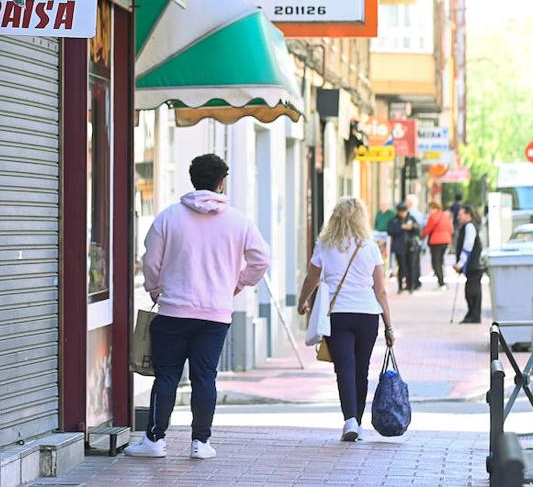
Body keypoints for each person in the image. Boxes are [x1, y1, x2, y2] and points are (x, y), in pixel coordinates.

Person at [126, 154, 271, 461]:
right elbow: (261, 259)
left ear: (192, 179)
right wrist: (239, 283)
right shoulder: (239, 221)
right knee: (205, 377)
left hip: (173, 312)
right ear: (222, 182)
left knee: (166, 376)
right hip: (215, 314)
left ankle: (154, 439)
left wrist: (154, 288)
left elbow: (150, 260)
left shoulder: (168, 217)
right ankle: (200, 443)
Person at [297, 197, 396, 442]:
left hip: (338, 316)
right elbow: (380, 291)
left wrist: (302, 302)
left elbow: (312, 279)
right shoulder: (370, 247)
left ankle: (350, 420)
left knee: (344, 367)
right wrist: (389, 326)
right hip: (367, 316)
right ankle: (357, 422)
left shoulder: (324, 245)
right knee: (361, 369)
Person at [454, 206, 484, 324]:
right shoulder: (467, 227)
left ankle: (474, 315)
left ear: (468, 215)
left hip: (474, 265)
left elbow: (468, 246)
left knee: (472, 291)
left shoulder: (470, 227)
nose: (458, 217)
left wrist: (460, 263)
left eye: (460, 214)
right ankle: (472, 314)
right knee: (470, 291)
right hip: (472, 265)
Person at [386, 203, 422, 293]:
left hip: (411, 246)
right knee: (402, 267)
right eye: (401, 212)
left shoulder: (411, 219)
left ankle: (410, 286)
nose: (403, 214)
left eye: (405, 211)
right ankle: (400, 286)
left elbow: (418, 230)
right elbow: (390, 231)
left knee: (411, 266)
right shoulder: (394, 220)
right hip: (399, 246)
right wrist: (401, 227)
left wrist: (412, 226)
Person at [423, 201, 455, 289]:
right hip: (446, 240)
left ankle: (441, 283)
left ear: (433, 208)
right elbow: (451, 229)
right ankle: (442, 282)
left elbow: (427, 229)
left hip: (436, 241)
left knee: (435, 263)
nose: (429, 211)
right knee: (440, 261)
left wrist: (422, 237)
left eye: (429, 209)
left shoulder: (432, 217)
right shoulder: (446, 215)